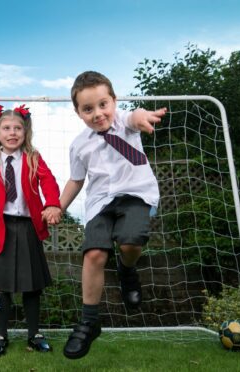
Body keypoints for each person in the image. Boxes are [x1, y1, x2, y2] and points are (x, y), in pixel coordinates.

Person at [47, 71, 167, 359]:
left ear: (114, 101)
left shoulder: (125, 122)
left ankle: (127, 271)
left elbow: (134, 116)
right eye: (88, 109)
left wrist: (141, 118)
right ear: (78, 112)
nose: (98, 114)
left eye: (103, 104)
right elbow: (76, 180)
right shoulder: (79, 145)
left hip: (136, 194)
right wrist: (57, 206)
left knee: (130, 242)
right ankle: (89, 321)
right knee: (94, 255)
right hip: (100, 203)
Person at [0, 104, 62, 357]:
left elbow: (49, 181)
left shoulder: (34, 159)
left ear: (25, 131)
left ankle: (34, 334)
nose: (12, 133)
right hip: (0, 231)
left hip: (27, 229)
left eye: (17, 128)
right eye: (6, 128)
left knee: (32, 285)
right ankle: (0, 334)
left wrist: (53, 204)